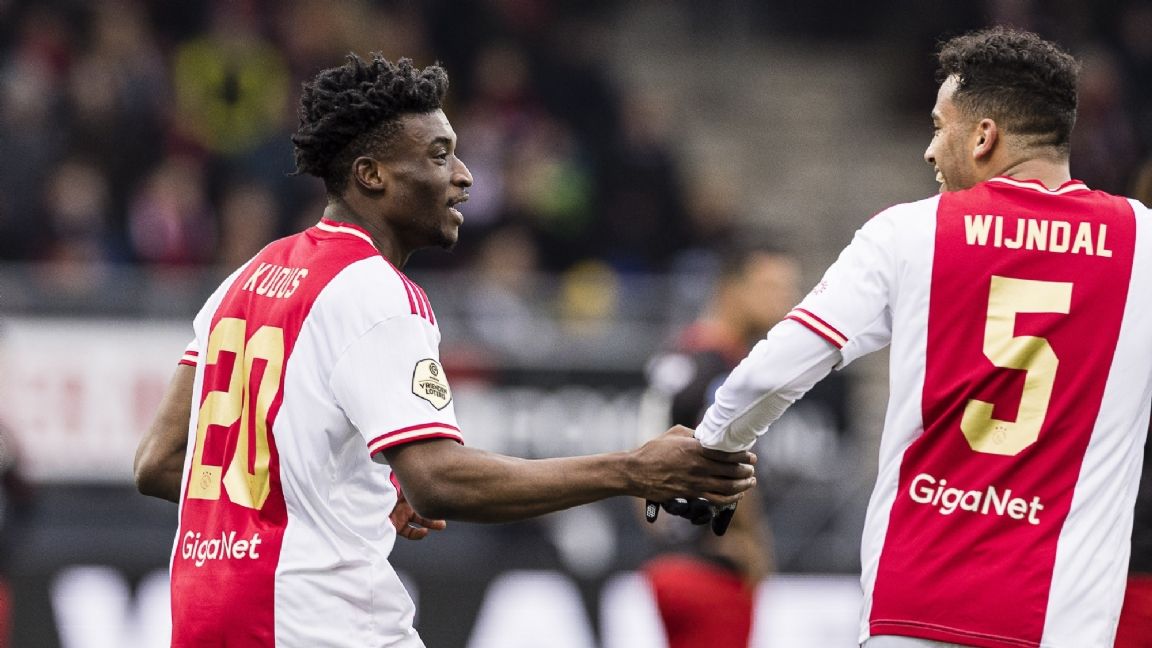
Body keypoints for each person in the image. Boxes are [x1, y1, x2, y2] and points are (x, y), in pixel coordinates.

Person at [132, 54, 756, 648]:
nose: (464, 175)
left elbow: (158, 462)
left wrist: (352, 491)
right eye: (439, 155)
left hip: (208, 618)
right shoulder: (374, 291)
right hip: (319, 622)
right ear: (371, 175)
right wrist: (633, 471)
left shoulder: (243, 279)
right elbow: (437, 481)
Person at [684, 27, 1152, 648]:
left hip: (915, 612)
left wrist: (713, 449)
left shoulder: (909, 234)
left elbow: (775, 369)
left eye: (938, 127)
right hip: (1061, 624)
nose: (930, 151)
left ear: (983, 137)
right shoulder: (1143, 246)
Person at [640, 242, 791, 647]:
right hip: (713, 570)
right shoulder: (726, 369)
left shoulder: (678, 354)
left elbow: (641, 452)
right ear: (730, 288)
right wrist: (751, 542)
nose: (784, 301)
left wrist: (663, 531)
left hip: (668, 564)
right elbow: (729, 458)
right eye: (770, 287)